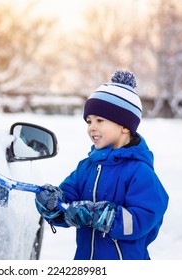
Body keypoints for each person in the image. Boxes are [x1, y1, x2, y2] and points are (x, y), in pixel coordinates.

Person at [35, 70, 169, 260]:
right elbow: (67, 203)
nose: (91, 127)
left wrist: (104, 216)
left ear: (125, 126)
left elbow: (145, 216)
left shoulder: (140, 172)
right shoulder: (86, 168)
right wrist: (52, 204)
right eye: (89, 121)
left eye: (100, 120)